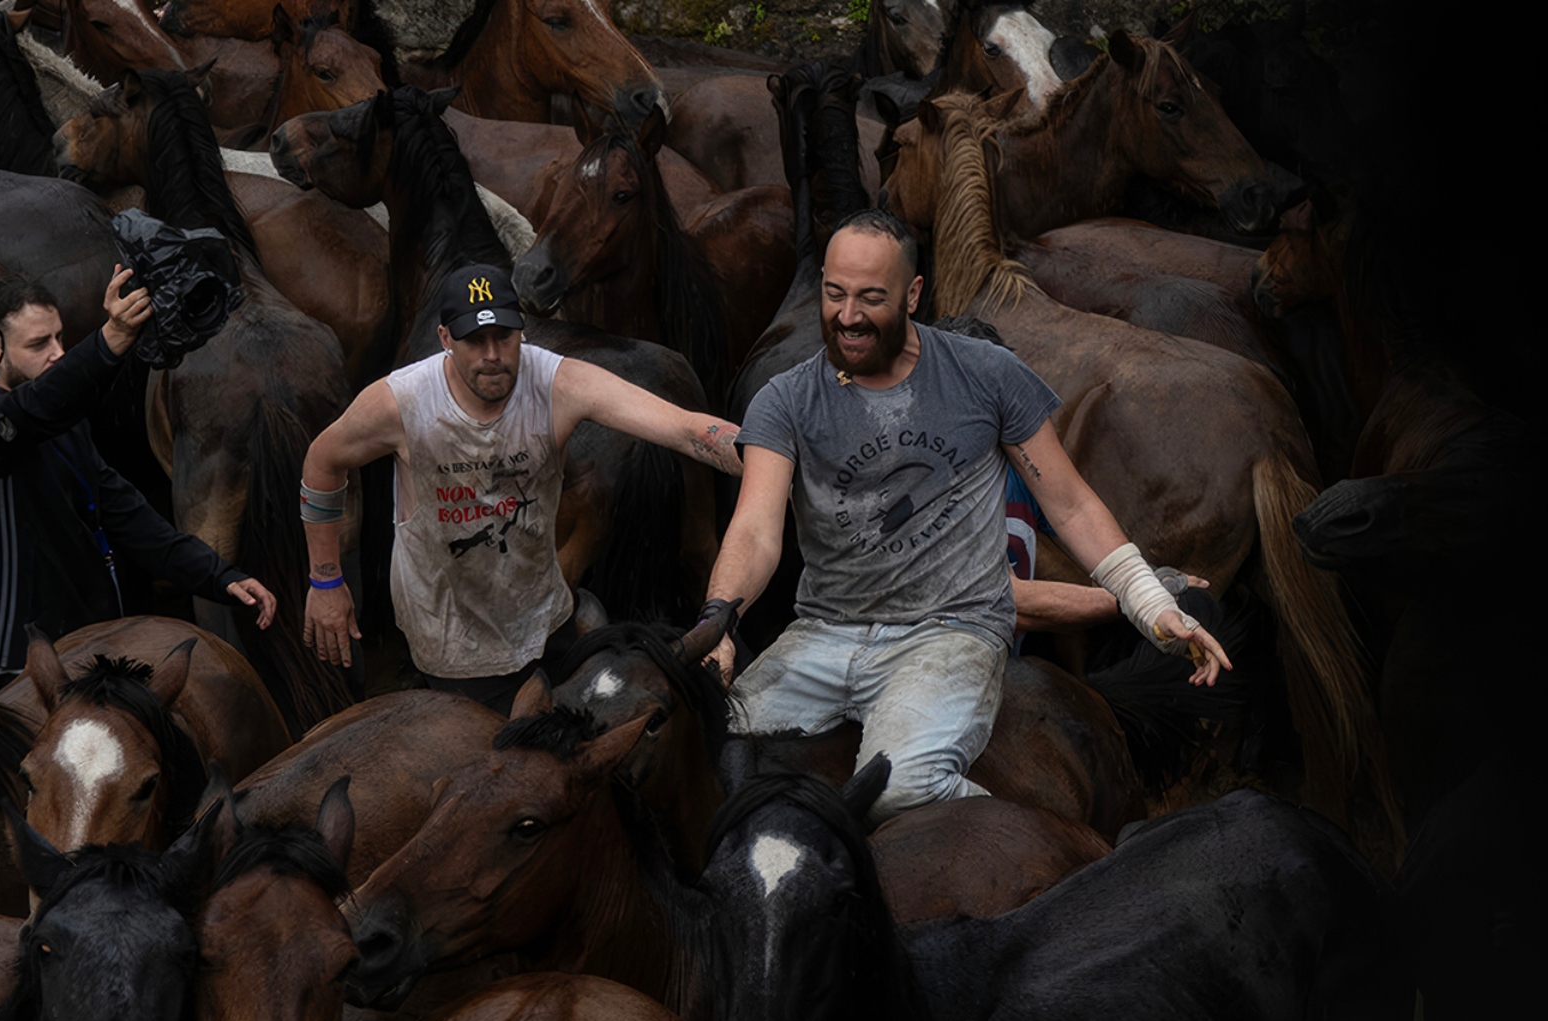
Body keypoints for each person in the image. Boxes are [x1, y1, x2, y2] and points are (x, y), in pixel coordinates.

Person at [704, 210, 1231, 822]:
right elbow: (755, 529)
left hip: (950, 633)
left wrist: (1148, 602)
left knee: (901, 790)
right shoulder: (786, 398)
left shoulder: (987, 375)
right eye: (835, 293)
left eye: (871, 298)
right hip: (822, 634)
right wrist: (719, 618)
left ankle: (1025, 847)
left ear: (914, 293)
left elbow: (1071, 503)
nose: (848, 316)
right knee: (712, 753)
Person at [300, 263, 744, 714]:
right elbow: (322, 461)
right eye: (475, 341)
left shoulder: (556, 383)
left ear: (522, 332)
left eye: (505, 337)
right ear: (445, 339)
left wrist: (760, 451)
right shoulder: (404, 402)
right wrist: (326, 579)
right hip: (453, 635)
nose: (493, 354)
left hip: (543, 612)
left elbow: (685, 430)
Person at [0, 273, 276, 695]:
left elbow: (129, 516)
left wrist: (220, 576)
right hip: (17, 660)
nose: (58, 354)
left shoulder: (65, 423)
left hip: (86, 642)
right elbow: (30, 412)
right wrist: (109, 340)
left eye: (60, 338)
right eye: (38, 344)